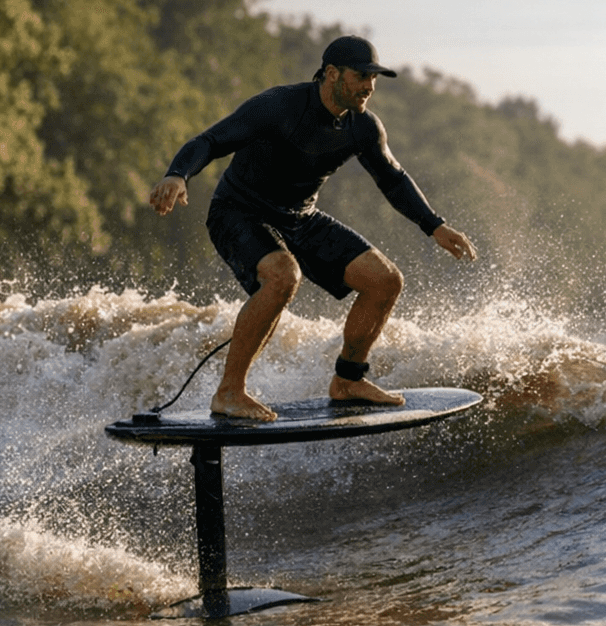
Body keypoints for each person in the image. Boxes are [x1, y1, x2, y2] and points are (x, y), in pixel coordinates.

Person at [148, 35, 477, 420]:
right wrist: (177, 175)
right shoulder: (278, 106)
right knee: (283, 276)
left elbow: (392, 179)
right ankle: (229, 393)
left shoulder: (363, 127)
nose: (369, 86)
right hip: (239, 211)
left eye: (374, 78)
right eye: (361, 76)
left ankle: (348, 380)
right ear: (332, 74)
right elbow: (211, 140)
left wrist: (434, 226)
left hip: (300, 217)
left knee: (384, 280)